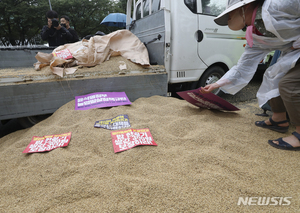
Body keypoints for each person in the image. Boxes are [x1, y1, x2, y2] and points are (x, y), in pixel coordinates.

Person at [200, 0, 300, 151]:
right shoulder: (256, 34)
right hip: (294, 53)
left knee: (289, 85)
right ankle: (279, 120)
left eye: (230, 14)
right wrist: (216, 84)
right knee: (272, 76)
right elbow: (243, 66)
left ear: (245, 7)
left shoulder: (278, 4)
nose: (228, 19)